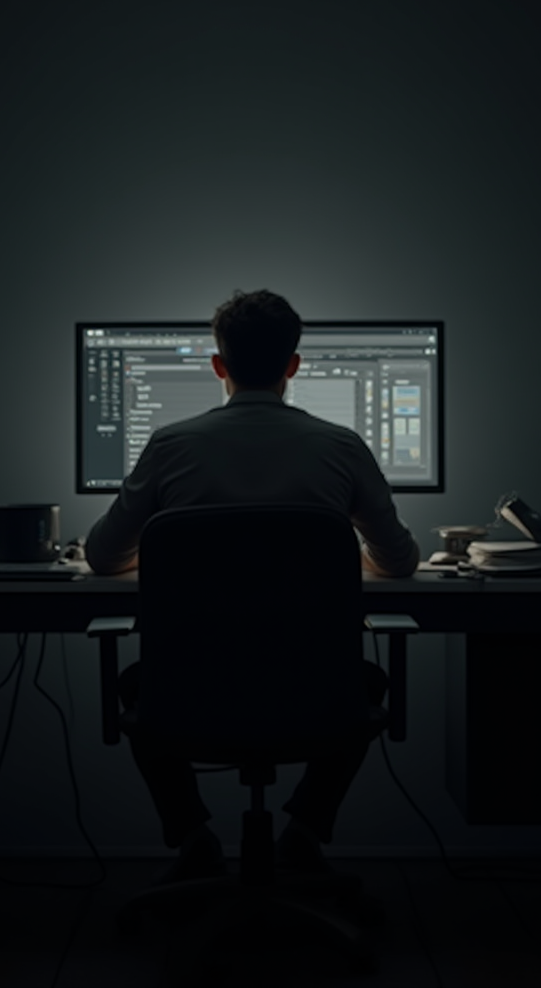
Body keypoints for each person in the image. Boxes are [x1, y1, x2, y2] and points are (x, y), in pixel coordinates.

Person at [85, 289, 420, 883]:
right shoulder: (341, 446)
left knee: (140, 687)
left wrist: (172, 547)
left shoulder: (171, 445)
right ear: (293, 364)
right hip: (313, 693)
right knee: (366, 683)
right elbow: (399, 562)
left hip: (192, 694)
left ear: (219, 366)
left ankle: (192, 837)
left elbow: (103, 557)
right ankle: (304, 832)